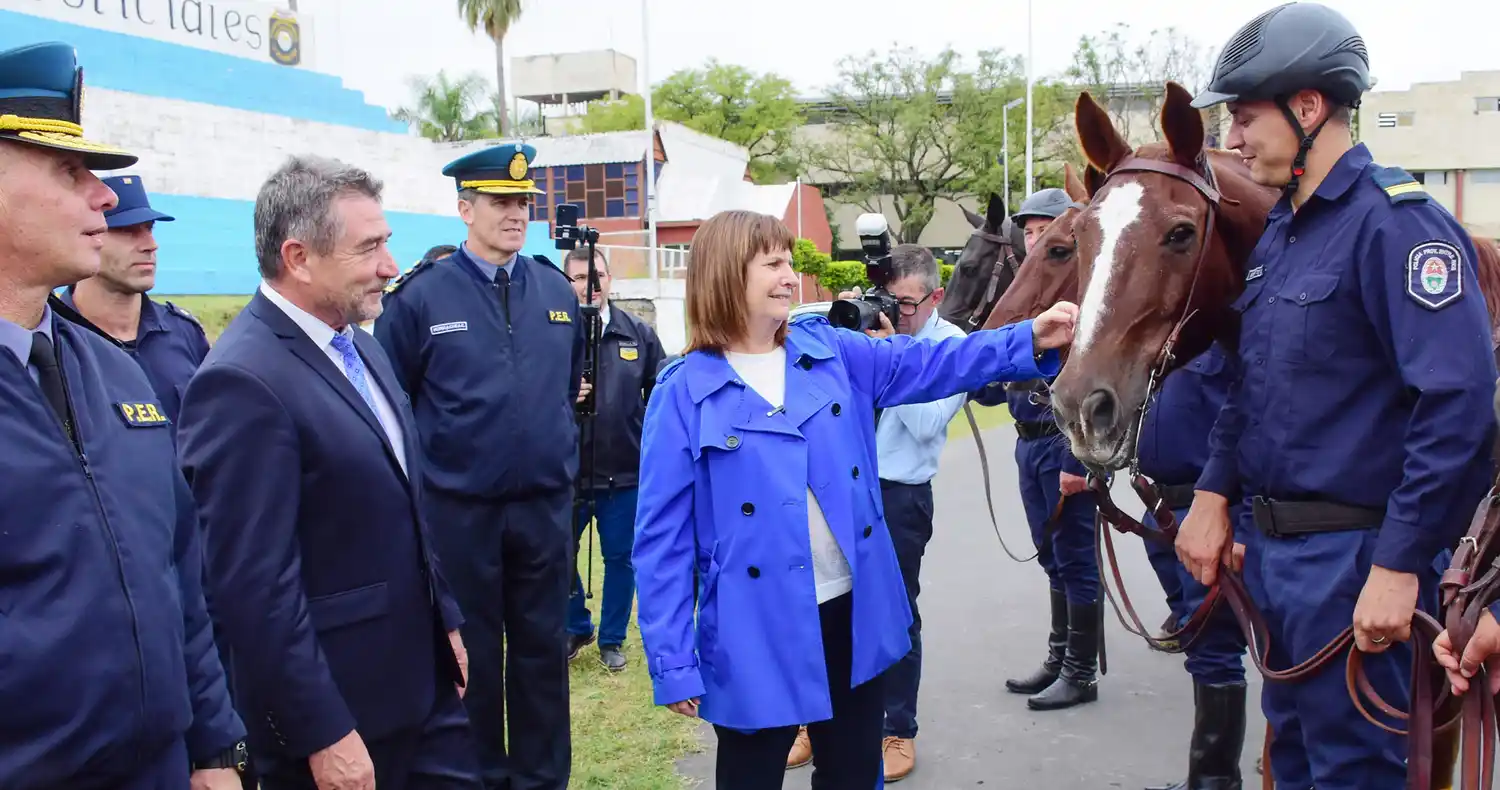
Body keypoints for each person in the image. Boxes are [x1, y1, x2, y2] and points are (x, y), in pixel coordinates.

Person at [634, 209, 1078, 790]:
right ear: (725, 275)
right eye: (773, 264)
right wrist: (672, 661)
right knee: (749, 775)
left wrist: (1027, 338)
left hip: (851, 608)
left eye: (790, 262)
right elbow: (661, 543)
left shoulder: (830, 351)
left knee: (850, 773)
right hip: (752, 622)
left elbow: (932, 363)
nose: (791, 277)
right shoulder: (683, 392)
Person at [1179, 5, 1497, 789]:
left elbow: (1458, 405)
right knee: (1291, 762)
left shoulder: (1399, 228)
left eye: (1245, 117)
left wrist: (1397, 565)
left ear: (1309, 107)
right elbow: (1251, 387)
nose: (1234, 138)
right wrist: (1217, 495)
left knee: (1356, 771)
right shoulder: (1283, 234)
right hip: (1278, 556)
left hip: (1356, 558)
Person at [176, 155, 479, 790]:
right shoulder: (242, 381)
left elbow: (401, 504)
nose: (390, 267)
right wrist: (321, 732)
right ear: (299, 257)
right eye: (369, 248)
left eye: (387, 244)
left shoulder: (360, 345)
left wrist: (443, 620)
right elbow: (253, 588)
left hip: (421, 687)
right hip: (345, 717)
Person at [0, 40, 246, 789]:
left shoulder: (111, 369)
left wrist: (211, 747)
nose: (105, 199)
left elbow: (177, 571)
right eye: (71, 173)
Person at [374, 142, 584, 790]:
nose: (515, 213)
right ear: (465, 208)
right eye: (500, 202)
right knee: (470, 661)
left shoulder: (554, 289)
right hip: (459, 511)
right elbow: (392, 400)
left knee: (542, 654)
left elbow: (566, 387)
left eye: (523, 202)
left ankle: (542, 778)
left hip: (543, 508)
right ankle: (478, 777)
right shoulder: (422, 299)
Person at [782, 244, 968, 782]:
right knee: (823, 609)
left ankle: (897, 729)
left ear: (934, 297)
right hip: (841, 488)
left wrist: (890, 359)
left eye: (906, 304)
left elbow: (930, 425)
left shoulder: (946, 343)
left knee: (894, 614)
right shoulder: (851, 335)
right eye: (886, 299)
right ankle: (811, 725)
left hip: (900, 494)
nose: (895, 311)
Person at [974, 188, 1104, 712]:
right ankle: (1059, 657)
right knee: (1051, 556)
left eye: (1042, 230)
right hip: (1028, 444)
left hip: (1063, 445)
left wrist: (1081, 462)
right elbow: (992, 385)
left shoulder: (1088, 306)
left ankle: (1081, 672)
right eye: (1026, 231)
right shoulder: (1029, 299)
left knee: (1075, 557)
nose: (1031, 238)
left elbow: (1097, 390)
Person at [1135, 344, 1251, 790]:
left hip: (1207, 514)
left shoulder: (1226, 334)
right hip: (1162, 510)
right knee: (1198, 640)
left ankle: (1215, 780)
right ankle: (1210, 775)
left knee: (1216, 649)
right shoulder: (1161, 331)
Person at [562, 246, 667, 671]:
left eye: (598, 275)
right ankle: (574, 626)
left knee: (621, 559)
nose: (591, 284)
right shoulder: (554, 334)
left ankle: (611, 639)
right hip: (566, 473)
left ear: (610, 279)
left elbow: (661, 395)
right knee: (556, 555)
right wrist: (566, 397)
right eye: (580, 277)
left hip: (624, 473)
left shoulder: (636, 333)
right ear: (566, 282)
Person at [59, 174, 209, 427]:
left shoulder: (184, 333)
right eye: (127, 231)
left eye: (149, 229)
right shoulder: (51, 339)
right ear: (88, 236)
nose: (151, 245)